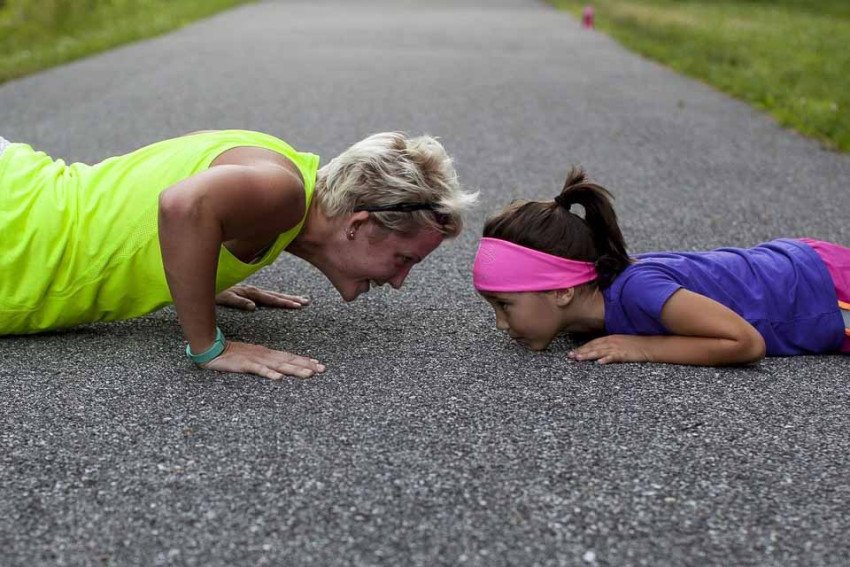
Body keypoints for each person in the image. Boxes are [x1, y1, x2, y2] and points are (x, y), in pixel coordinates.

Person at [0, 130, 477, 378]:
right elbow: (182, 204)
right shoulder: (283, 192)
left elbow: (159, 200)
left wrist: (197, 272)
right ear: (359, 225)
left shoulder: (283, 178)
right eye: (404, 259)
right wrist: (211, 346)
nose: (399, 281)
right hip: (16, 231)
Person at [472, 167, 850, 366]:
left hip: (825, 291)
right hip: (804, 267)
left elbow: (745, 342)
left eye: (505, 305)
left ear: (562, 290)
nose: (501, 324)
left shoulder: (637, 290)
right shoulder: (589, 311)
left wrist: (644, 348)